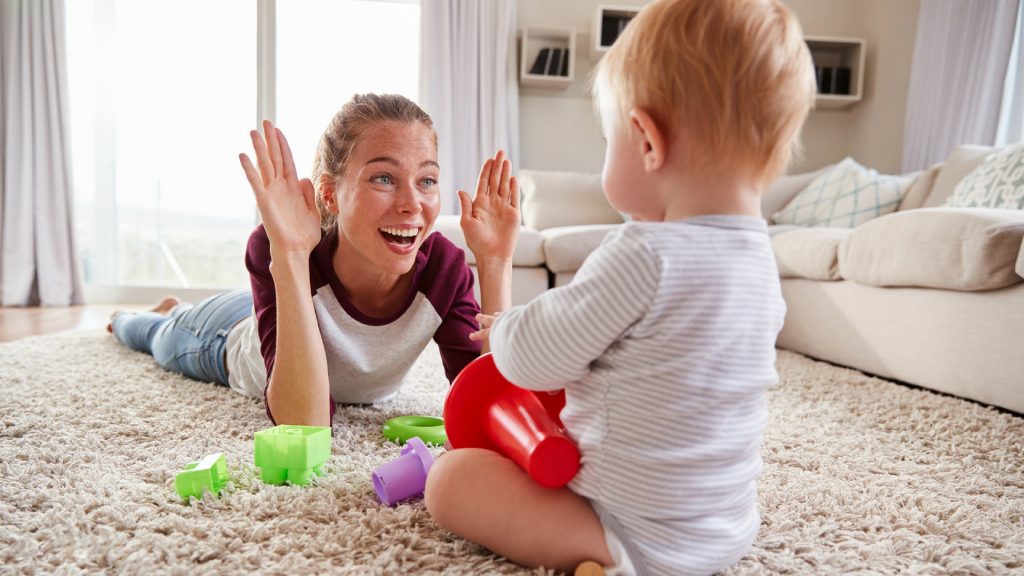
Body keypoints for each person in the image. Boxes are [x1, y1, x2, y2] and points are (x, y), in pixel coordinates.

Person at [422, 0, 816, 574]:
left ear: (646, 141)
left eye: (609, 141)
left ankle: (597, 557)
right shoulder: (761, 262)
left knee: (451, 478)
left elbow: (533, 361)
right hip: (725, 531)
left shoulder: (644, 253)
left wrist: (507, 330)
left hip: (634, 533)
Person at [109, 93, 520, 426]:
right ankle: (154, 314)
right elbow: (304, 423)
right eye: (383, 178)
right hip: (220, 337)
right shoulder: (280, 245)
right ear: (328, 194)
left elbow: (489, 409)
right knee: (154, 337)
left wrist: (496, 263)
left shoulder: (444, 269)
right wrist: (289, 254)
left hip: (266, 309)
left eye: (427, 180)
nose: (413, 204)